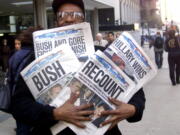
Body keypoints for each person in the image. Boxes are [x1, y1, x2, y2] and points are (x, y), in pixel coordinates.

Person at [11, 0, 146, 135]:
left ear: (84, 20)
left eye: (76, 14)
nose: (69, 19)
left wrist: (133, 109)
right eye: (62, 15)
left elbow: (136, 90)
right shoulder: (37, 58)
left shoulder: (101, 52)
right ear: (55, 21)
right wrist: (54, 113)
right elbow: (19, 105)